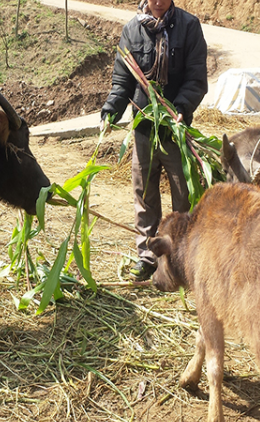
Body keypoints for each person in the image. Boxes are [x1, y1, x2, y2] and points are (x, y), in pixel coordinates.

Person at [100, 0, 208, 281]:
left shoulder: (189, 27)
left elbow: (196, 78)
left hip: (174, 126)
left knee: (181, 194)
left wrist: (182, 107)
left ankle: (179, 257)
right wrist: (111, 110)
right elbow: (122, 82)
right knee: (144, 192)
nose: (158, 1)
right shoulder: (132, 30)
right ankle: (148, 255)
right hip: (144, 126)